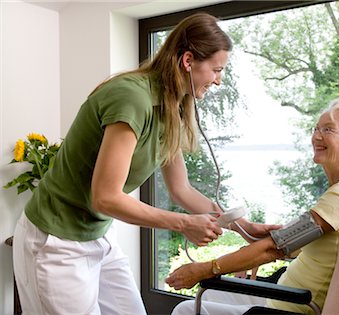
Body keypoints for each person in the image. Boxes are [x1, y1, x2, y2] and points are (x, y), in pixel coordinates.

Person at [12, 12, 278, 315]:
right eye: (216, 70)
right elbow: (106, 196)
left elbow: (182, 189)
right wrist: (184, 223)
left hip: (98, 233)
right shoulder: (132, 99)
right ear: (188, 61)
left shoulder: (173, 107)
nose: (219, 80)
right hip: (56, 239)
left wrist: (243, 227)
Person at [166, 98, 339, 315]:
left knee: (186, 310)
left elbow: (275, 247)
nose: (316, 136)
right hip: (285, 292)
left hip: (293, 306)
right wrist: (250, 251)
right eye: (316, 128)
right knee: (209, 296)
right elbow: (298, 243)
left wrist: (206, 269)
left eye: (328, 130)